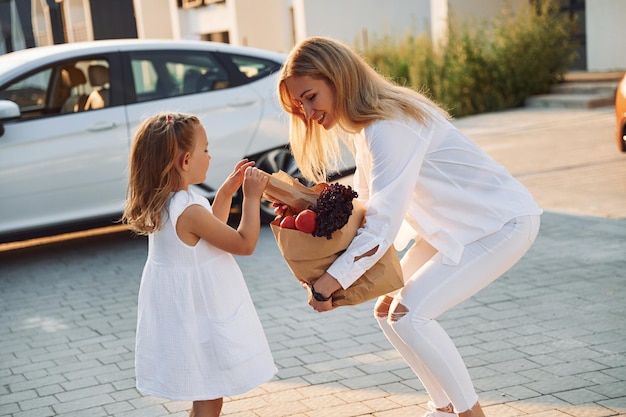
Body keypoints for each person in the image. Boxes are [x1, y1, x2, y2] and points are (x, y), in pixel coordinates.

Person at [275, 36, 542, 417]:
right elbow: (366, 209)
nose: (307, 111)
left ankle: (468, 414)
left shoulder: (389, 126)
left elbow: (382, 224)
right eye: (299, 104)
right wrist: (319, 243)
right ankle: (445, 409)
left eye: (310, 96)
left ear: (337, 78)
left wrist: (331, 282)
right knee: (388, 312)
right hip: (457, 227)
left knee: (410, 315)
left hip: (499, 223)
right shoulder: (367, 130)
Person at [122, 112, 276, 417]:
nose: (210, 155)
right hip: (198, 314)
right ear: (186, 161)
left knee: (206, 391)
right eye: (205, 149)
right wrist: (251, 198)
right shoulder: (188, 208)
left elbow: (210, 234)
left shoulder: (170, 201)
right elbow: (244, 243)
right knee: (210, 395)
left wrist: (226, 192)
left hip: (185, 313)